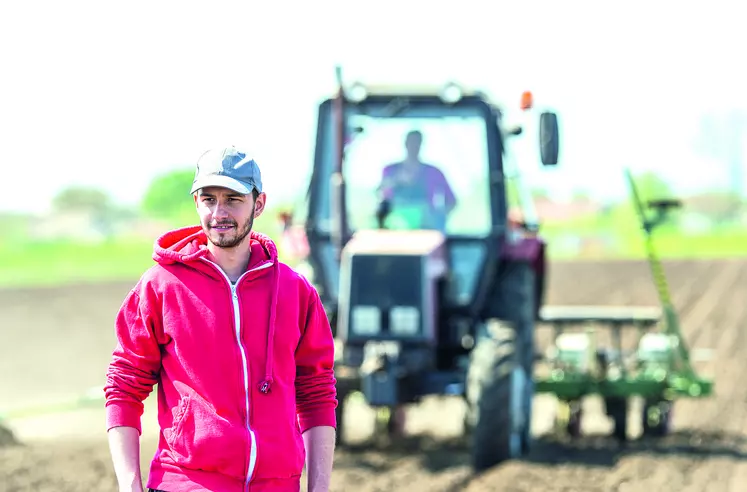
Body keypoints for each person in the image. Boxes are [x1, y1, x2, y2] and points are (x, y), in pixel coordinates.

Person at [104, 146, 337, 492]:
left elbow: (316, 394)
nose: (219, 212)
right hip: (185, 483)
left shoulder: (296, 291)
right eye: (209, 199)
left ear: (258, 204)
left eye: (233, 199)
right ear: (197, 203)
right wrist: (129, 484)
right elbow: (124, 387)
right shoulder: (161, 286)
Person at [377, 130, 457, 231]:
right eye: (411, 142)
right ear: (405, 144)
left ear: (421, 145)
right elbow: (380, 193)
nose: (414, 146)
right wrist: (394, 182)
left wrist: (439, 218)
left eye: (417, 143)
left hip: (426, 229)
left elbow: (451, 201)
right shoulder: (390, 170)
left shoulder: (434, 172)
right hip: (395, 229)